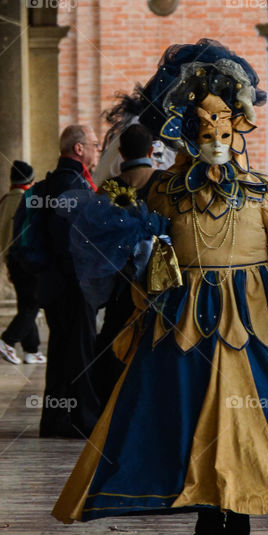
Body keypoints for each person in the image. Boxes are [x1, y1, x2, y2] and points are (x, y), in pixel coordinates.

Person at [53, 39, 268, 535]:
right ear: (186, 134)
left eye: (224, 130)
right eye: (204, 132)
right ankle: (206, 508)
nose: (215, 140)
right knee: (188, 410)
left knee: (245, 414)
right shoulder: (162, 190)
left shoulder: (266, 191)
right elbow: (144, 241)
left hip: (252, 314)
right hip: (181, 316)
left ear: (238, 131)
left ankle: (239, 507)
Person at [38, 124, 101, 438]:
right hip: (71, 284)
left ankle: (57, 421)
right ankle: (83, 420)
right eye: (94, 144)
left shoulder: (63, 180)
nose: (97, 150)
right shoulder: (68, 184)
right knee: (79, 351)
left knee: (65, 351)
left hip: (61, 283)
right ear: (79, 149)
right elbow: (69, 241)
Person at [91, 123, 158, 406]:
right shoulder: (163, 182)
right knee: (154, 333)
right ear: (152, 150)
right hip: (158, 275)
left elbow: (95, 230)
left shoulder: (109, 187)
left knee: (113, 331)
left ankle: (108, 398)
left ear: (120, 152)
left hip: (120, 273)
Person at [0, 160, 44, 364]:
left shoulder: (4, 200)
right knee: (33, 305)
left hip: (10, 259)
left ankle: (32, 350)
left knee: (26, 304)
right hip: (24, 258)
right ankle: (7, 341)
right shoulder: (27, 200)